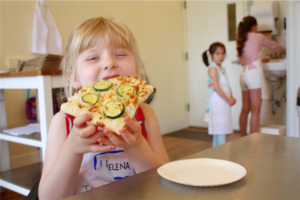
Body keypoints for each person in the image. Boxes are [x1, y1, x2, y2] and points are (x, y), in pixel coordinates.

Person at [38, 17, 169, 199]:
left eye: (120, 54)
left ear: (137, 69)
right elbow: (49, 197)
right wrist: (73, 149)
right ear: (73, 77)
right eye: (93, 57)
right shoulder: (63, 123)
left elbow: (163, 182)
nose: (110, 63)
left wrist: (137, 145)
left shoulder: (145, 115)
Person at [237, 16, 286, 137]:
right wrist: (285, 50)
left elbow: (249, 58)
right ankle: (253, 143)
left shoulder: (241, 38)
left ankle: (242, 139)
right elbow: (274, 46)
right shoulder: (258, 36)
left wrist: (261, 60)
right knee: (255, 111)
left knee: (245, 110)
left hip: (244, 74)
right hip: (253, 75)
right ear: (254, 27)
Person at [202, 42, 236, 147]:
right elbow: (217, 87)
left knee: (221, 130)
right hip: (218, 104)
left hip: (224, 103)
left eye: (223, 53)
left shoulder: (222, 69)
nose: (221, 56)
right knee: (220, 130)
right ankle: (222, 156)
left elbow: (227, 85)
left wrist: (231, 97)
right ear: (211, 55)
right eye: (218, 53)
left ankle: (216, 155)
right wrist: (227, 99)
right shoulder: (213, 69)